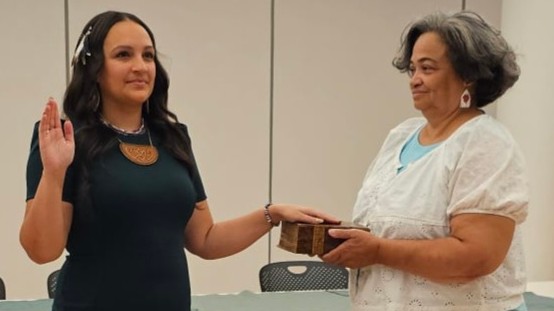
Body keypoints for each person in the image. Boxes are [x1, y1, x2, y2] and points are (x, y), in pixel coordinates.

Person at [20, 10, 338, 311]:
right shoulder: (64, 138)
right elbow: (41, 250)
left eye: (148, 55)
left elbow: (205, 239)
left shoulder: (172, 138)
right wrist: (54, 172)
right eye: (123, 55)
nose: (140, 66)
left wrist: (272, 214)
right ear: (94, 69)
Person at [320, 11, 529, 311]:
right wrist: (344, 237)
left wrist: (377, 250)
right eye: (413, 68)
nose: (414, 80)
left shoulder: (484, 143)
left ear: (468, 75)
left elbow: (476, 257)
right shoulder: (401, 136)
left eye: (428, 69)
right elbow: (391, 228)